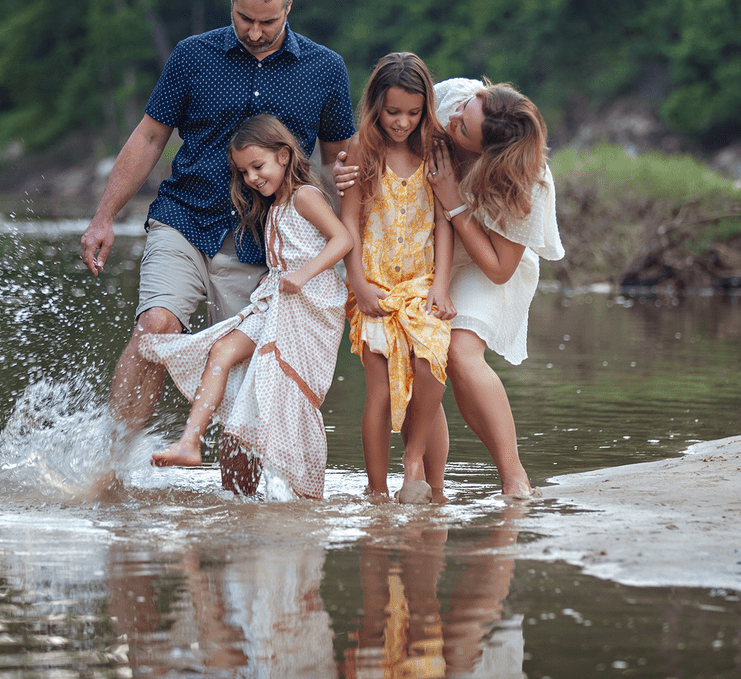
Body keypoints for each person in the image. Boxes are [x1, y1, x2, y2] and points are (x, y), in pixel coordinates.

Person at [79, 0, 355, 490]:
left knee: (248, 391)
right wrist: (103, 217)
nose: (253, 31)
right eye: (243, 17)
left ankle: (235, 509)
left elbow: (345, 161)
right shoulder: (192, 56)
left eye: (267, 21)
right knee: (155, 327)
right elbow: (150, 138)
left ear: (290, 6)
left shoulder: (325, 69)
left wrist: (360, 269)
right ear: (232, 1)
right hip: (184, 220)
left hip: (266, 247)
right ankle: (107, 474)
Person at [334, 77, 563, 497]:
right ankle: (423, 479)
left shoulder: (528, 181)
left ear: (486, 152)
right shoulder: (456, 98)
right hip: (417, 246)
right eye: (463, 108)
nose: (451, 116)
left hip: (483, 257)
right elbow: (386, 129)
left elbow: (498, 269)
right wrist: (347, 168)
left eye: (461, 127)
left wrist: (453, 200)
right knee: (415, 356)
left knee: (457, 352)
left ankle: (513, 475)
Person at [136, 115, 352, 499]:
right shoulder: (273, 207)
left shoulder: (305, 196)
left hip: (308, 305)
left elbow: (343, 240)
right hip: (277, 301)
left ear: (284, 156)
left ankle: (302, 485)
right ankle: (190, 441)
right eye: (244, 171)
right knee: (221, 350)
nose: (252, 177)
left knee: (284, 389)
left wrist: (302, 276)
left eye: (258, 166)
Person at [339, 52, 455, 503]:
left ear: (425, 108)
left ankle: (416, 463)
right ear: (375, 106)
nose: (402, 122)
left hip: (422, 284)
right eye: (392, 112)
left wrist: (441, 286)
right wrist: (357, 283)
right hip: (375, 285)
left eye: (412, 112)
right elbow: (348, 221)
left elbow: (444, 223)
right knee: (382, 391)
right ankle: (375, 492)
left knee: (431, 367)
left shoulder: (435, 152)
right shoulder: (361, 151)